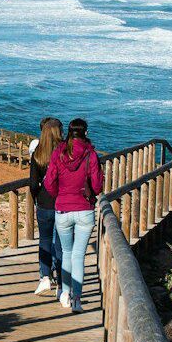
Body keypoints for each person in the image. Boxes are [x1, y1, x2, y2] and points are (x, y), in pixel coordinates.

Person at [42, 117, 104, 312]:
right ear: (85, 132)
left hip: (63, 210)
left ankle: (65, 293)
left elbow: (49, 182)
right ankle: (77, 299)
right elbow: (97, 186)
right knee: (78, 256)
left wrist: (60, 196)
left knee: (66, 254)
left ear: (68, 132)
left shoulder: (58, 153)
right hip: (84, 210)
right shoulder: (91, 155)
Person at [27, 117, 64, 295]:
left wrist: (36, 199)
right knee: (61, 244)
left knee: (44, 241)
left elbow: (33, 184)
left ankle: (45, 277)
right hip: (63, 202)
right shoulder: (66, 153)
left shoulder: (38, 154)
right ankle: (61, 282)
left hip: (43, 203)